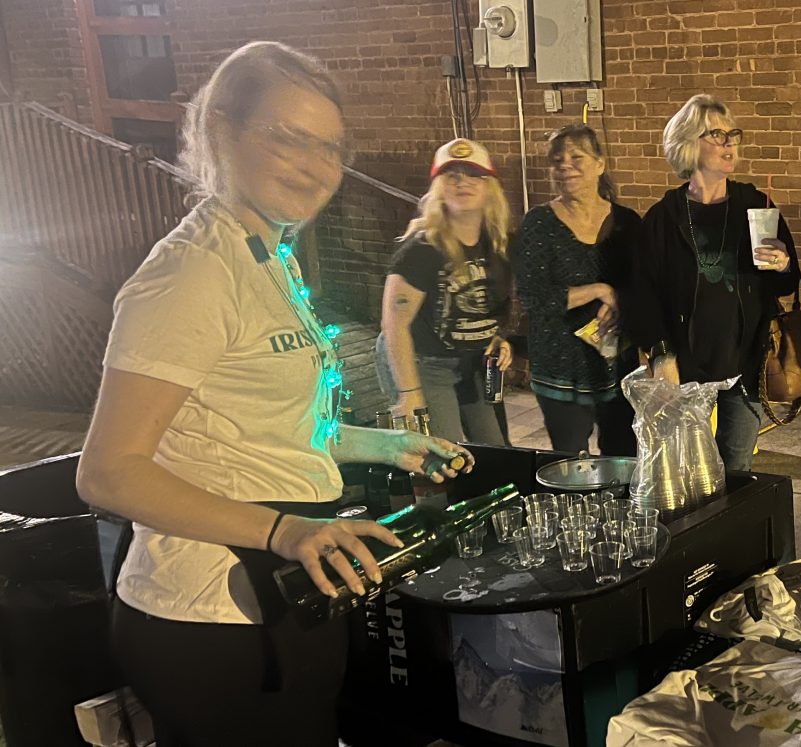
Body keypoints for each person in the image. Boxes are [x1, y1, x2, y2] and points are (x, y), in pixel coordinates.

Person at [75, 42, 470, 747]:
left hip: (283, 588)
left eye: (331, 148)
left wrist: (386, 444)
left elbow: (267, 426)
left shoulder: (269, 253)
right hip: (210, 617)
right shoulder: (192, 273)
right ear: (221, 129)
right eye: (289, 137)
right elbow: (108, 472)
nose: (316, 166)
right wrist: (284, 530)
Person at [629, 94, 799, 471]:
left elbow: (786, 284)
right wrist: (662, 354)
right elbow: (643, 296)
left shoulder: (756, 205)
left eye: (733, 134)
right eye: (717, 134)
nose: (729, 143)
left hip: (746, 363)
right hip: (686, 368)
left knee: (736, 467)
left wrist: (783, 264)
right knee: (686, 468)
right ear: (689, 142)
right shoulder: (663, 218)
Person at [511, 124, 642, 455]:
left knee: (623, 456)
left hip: (616, 363)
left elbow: (646, 285)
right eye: (557, 160)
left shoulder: (628, 223)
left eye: (576, 157)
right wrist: (598, 290)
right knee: (570, 462)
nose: (565, 166)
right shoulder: (539, 223)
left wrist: (621, 300)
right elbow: (532, 296)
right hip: (560, 365)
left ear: (600, 164)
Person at [375, 138, 513, 444]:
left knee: (495, 449)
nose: (462, 182)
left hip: (471, 364)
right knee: (444, 453)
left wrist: (495, 337)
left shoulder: (497, 244)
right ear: (439, 188)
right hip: (426, 364)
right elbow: (394, 325)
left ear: (489, 186)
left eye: (473, 174)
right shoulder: (423, 249)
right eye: (452, 175)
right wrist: (409, 394)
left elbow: (485, 305)